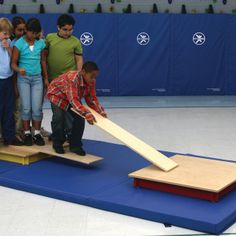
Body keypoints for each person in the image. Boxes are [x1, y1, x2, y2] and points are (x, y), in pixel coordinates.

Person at [47, 61, 107, 155]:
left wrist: (100, 111)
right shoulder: (72, 79)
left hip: (70, 97)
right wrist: (87, 114)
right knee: (58, 118)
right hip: (57, 95)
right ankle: (57, 143)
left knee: (80, 119)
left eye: (95, 77)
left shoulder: (91, 81)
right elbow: (74, 100)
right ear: (83, 72)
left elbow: (91, 99)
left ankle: (75, 145)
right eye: (91, 76)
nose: (93, 79)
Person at [11, 18, 49, 146]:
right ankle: (27, 133)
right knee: (25, 107)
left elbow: (43, 61)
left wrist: (46, 78)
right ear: (26, 30)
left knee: (37, 108)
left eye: (36, 33)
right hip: (24, 79)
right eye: (32, 32)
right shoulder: (18, 44)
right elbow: (13, 64)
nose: (34, 35)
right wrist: (18, 69)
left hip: (37, 78)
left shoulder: (41, 43)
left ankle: (37, 133)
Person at [0, 17, 22, 146]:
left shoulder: (8, 41)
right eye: (4, 33)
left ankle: (9, 136)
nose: (7, 36)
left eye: (9, 33)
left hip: (7, 79)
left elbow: (13, 59)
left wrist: (8, 48)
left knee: (9, 108)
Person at [45, 14, 83, 82]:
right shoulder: (49, 37)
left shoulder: (76, 41)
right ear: (58, 27)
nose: (67, 32)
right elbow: (44, 56)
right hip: (52, 78)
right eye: (65, 29)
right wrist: (45, 76)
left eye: (70, 30)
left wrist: (79, 74)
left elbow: (79, 60)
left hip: (70, 78)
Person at [10, 16, 26, 141]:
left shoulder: (28, 41)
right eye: (19, 30)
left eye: (24, 30)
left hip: (27, 81)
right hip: (15, 80)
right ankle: (15, 133)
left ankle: (22, 131)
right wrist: (15, 85)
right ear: (13, 31)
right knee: (17, 108)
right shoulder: (12, 44)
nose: (22, 32)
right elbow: (13, 67)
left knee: (25, 107)